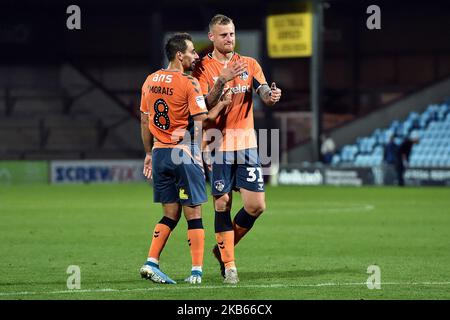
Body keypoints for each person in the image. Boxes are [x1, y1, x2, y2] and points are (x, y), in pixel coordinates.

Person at [192, 14, 282, 284]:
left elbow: (263, 90)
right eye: (223, 35)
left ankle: (221, 251)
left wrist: (271, 96)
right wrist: (221, 80)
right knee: (222, 203)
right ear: (212, 37)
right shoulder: (201, 68)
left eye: (231, 34)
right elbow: (202, 106)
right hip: (217, 145)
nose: (229, 39)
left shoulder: (249, 64)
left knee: (256, 206)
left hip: (247, 144)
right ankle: (229, 265)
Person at [139, 33, 231, 284]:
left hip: (159, 154)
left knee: (170, 213)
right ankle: (196, 273)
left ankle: (151, 262)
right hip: (184, 152)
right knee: (194, 213)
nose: (196, 55)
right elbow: (201, 119)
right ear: (180, 55)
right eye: (192, 51)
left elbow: (145, 120)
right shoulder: (188, 82)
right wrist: (199, 152)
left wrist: (148, 153)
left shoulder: (150, 80)